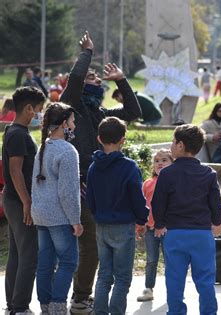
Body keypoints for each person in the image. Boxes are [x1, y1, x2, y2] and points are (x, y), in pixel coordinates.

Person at [60, 31, 141, 314]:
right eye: (91, 78)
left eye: (97, 78)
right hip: (77, 185)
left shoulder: (103, 115)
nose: (95, 80)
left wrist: (120, 79)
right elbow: (73, 82)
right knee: (87, 247)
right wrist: (87, 54)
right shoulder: (72, 107)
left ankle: (80, 296)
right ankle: (79, 298)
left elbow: (133, 109)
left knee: (92, 246)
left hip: (97, 188)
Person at [152, 124, 221, 315]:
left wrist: (159, 224)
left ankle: (176, 312)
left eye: (173, 142)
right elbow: (216, 204)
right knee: (205, 280)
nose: (171, 146)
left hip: (175, 234)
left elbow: (158, 202)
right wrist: (216, 223)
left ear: (181, 145)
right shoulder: (209, 173)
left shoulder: (166, 174)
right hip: (202, 234)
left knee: (174, 279)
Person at [86, 117, 148, 314]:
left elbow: (91, 199)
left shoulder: (94, 167)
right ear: (123, 139)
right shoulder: (129, 167)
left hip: (102, 225)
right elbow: (137, 197)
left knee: (104, 274)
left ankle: (100, 311)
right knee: (122, 277)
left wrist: (98, 215)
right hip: (123, 225)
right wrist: (142, 218)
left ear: (99, 138)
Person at [31, 102, 83, 314]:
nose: (74, 125)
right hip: (60, 217)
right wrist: (76, 220)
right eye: (72, 121)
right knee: (69, 261)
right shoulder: (68, 151)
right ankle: (58, 306)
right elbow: (68, 192)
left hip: (41, 215)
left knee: (45, 262)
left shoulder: (43, 147)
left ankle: (45, 307)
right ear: (64, 123)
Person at [2, 86, 46, 314]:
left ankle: (13, 304)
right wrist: (27, 202)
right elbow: (15, 170)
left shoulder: (14, 131)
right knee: (29, 255)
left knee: (18, 255)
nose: (40, 114)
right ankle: (20, 306)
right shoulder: (18, 134)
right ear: (29, 108)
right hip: (19, 200)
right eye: (39, 109)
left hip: (12, 198)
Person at [136, 148, 174, 302]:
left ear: (172, 163)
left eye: (164, 160)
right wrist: (141, 225)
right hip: (150, 229)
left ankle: (173, 289)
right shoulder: (148, 183)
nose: (160, 163)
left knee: (170, 259)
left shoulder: (174, 182)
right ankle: (148, 288)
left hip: (168, 229)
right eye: (157, 161)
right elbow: (142, 206)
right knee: (151, 260)